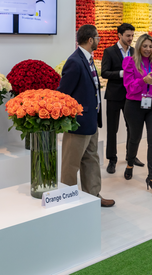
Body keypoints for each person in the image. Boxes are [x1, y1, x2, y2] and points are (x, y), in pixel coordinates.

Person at [58, 24, 115, 208]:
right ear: (90, 40)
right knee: (71, 164)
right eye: (97, 37)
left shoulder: (88, 59)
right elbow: (63, 94)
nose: (99, 40)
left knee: (92, 160)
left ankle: (93, 196)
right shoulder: (74, 61)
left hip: (91, 121)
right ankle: (68, 200)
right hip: (78, 123)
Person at [122, 34, 152, 196]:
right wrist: (144, 81)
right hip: (134, 105)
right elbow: (129, 87)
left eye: (151, 46)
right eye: (145, 46)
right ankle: (130, 163)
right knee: (134, 138)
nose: (148, 49)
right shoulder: (130, 62)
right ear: (139, 47)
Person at [100, 23, 144, 174]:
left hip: (131, 96)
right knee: (112, 129)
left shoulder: (134, 51)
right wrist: (121, 73)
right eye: (128, 36)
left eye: (132, 35)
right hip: (114, 96)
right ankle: (112, 159)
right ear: (119, 35)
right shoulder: (109, 51)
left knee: (132, 128)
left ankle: (131, 157)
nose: (131, 38)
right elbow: (104, 73)